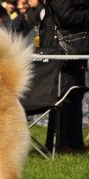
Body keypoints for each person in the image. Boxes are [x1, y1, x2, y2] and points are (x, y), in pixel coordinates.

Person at [39, 0, 89, 153]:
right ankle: (59, 143)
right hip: (61, 48)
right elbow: (66, 16)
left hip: (77, 46)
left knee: (76, 95)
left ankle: (75, 142)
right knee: (62, 98)